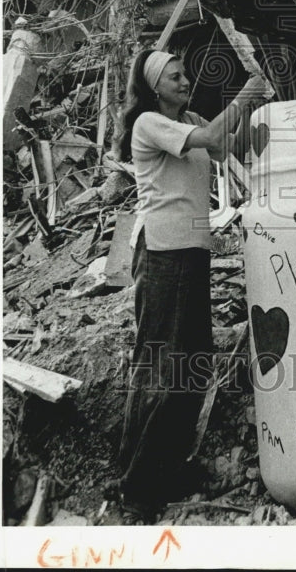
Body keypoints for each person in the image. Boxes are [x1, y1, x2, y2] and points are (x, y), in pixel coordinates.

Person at [112, 48, 267, 520]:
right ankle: (136, 488)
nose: (185, 81)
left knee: (193, 365)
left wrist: (263, 111)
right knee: (162, 369)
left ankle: (170, 468)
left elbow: (227, 146)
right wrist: (250, 88)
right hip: (163, 256)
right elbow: (215, 134)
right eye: (175, 77)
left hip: (191, 255)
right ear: (156, 86)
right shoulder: (148, 124)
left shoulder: (191, 119)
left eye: (185, 74)